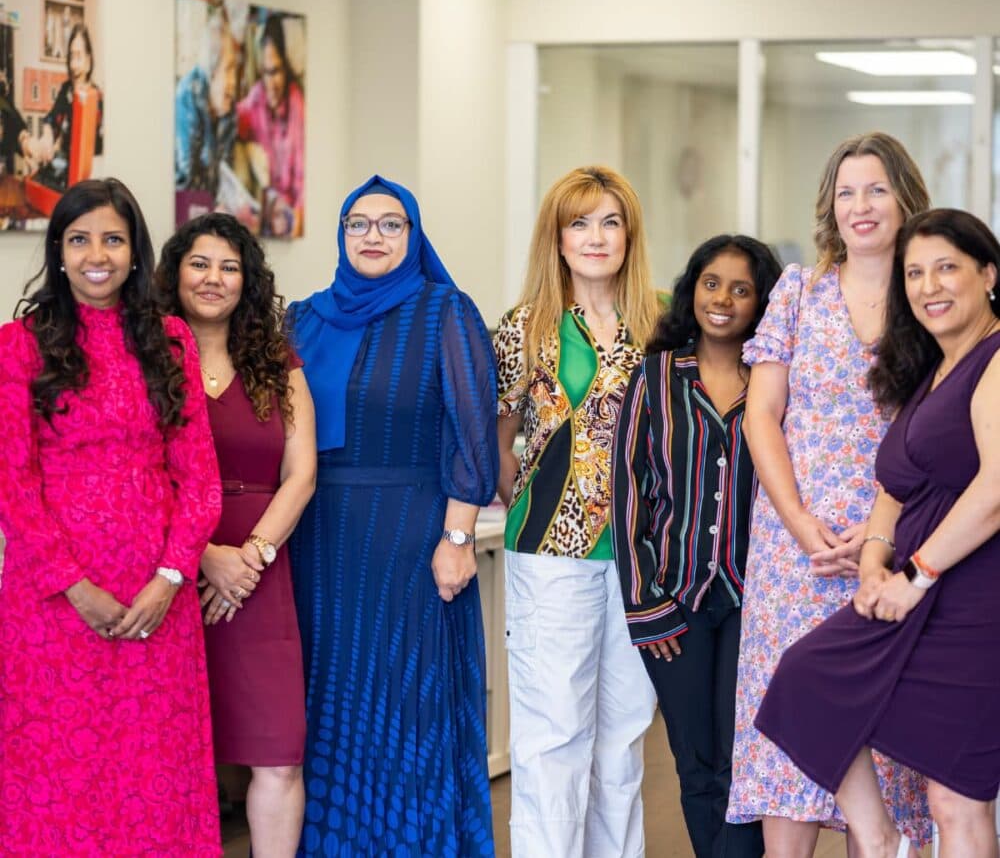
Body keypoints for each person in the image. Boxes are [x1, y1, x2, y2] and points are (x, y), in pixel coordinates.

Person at [755, 208, 1000, 858]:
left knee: (955, 796)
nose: (929, 285)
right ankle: (880, 836)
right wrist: (871, 564)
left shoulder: (996, 358)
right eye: (915, 273)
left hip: (975, 600)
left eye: (947, 267)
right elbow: (895, 489)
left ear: (989, 273)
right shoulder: (935, 370)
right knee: (806, 679)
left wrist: (914, 575)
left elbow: (995, 492)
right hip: (917, 588)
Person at [726, 132, 934, 855]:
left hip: (895, 540)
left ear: (906, 197)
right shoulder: (798, 289)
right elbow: (761, 415)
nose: (861, 206)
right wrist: (800, 523)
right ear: (829, 207)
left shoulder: (929, 297)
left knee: (880, 731)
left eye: (876, 189)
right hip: (799, 549)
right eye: (847, 192)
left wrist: (884, 535)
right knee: (794, 722)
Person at [0, 178, 222, 855]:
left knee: (156, 772)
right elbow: (12, 483)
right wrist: (73, 584)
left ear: (134, 251)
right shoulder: (19, 345)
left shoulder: (172, 341)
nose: (97, 254)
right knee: (57, 775)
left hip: (160, 605)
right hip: (53, 608)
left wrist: (171, 578)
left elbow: (201, 481)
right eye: (79, 239)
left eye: (113, 238)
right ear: (58, 251)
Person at [286, 174, 499, 856]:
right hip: (317, 543)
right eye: (358, 224)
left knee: (405, 708)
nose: (372, 236)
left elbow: (471, 434)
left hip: (412, 540)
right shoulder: (300, 318)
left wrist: (457, 537)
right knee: (329, 711)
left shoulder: (444, 312)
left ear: (413, 236)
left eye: (390, 224)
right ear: (341, 234)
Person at [495, 165, 661, 857]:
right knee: (552, 737)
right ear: (557, 238)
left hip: (641, 557)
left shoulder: (662, 322)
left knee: (623, 741)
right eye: (579, 222)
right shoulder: (522, 329)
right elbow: (498, 443)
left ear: (629, 234)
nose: (596, 237)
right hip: (551, 557)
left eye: (610, 221)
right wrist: (538, 506)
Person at [612, 234, 783, 858]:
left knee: (746, 756)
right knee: (697, 762)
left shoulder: (774, 383)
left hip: (753, 599)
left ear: (760, 301)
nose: (724, 299)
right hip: (673, 604)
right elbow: (628, 489)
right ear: (693, 290)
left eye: (742, 289)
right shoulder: (656, 377)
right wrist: (644, 603)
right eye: (712, 283)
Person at [157, 212, 316, 857]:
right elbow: (132, 473)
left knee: (278, 753)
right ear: (175, 272)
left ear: (248, 280)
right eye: (200, 264)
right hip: (166, 568)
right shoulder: (147, 357)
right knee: (174, 751)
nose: (214, 279)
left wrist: (249, 560)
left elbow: (301, 472)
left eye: (230, 266)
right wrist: (203, 559)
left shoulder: (275, 359)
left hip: (262, 569)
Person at [236, 14, 305, 238]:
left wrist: (295, 218)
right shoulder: (257, 98)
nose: (271, 83)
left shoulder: (297, 106)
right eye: (266, 72)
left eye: (276, 71)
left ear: (286, 69)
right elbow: (234, 122)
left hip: (288, 219)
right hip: (261, 217)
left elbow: (301, 184)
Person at [175, 7, 238, 198]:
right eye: (227, 70)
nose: (232, 82)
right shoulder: (187, 97)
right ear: (211, 70)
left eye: (234, 70)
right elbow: (187, 181)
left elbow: (227, 176)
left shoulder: (228, 108)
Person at [32, 23, 103, 189]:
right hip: (61, 170)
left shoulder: (97, 98)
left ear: (88, 59)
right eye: (71, 56)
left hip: (87, 180)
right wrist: (47, 137)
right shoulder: (66, 90)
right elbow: (51, 118)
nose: (73, 65)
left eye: (79, 56)